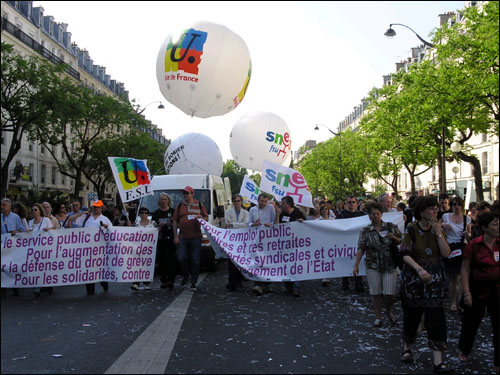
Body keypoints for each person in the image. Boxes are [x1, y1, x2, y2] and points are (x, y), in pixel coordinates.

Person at [398, 196, 453, 374]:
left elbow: (446, 253)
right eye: (431, 208)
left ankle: (438, 361)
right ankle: (408, 346)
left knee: (436, 318)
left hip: (434, 282)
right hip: (414, 281)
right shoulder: (412, 229)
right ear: (422, 212)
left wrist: (438, 232)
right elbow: (405, 253)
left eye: (436, 208)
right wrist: (419, 269)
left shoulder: (438, 229)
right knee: (412, 316)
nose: (435, 211)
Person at [458, 212, 499, 372]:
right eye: (495, 224)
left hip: (497, 290)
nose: (498, 227)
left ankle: (498, 361)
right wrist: (467, 293)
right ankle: (465, 349)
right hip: (478, 289)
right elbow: (465, 270)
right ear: (484, 228)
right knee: (471, 323)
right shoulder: (474, 245)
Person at [353, 202, 401, 327]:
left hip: (389, 264)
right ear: (369, 216)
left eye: (377, 214)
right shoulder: (365, 231)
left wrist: (393, 237)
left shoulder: (390, 227)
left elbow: (401, 240)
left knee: (389, 293)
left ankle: (389, 311)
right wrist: (356, 265)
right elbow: (360, 248)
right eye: (372, 214)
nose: (375, 216)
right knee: (375, 292)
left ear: (381, 214)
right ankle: (378, 316)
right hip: (372, 264)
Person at [73, 200, 113, 295]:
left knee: (100, 268)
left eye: (98, 207)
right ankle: (90, 289)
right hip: (87, 249)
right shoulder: (86, 218)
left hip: (100, 249)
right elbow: (71, 220)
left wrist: (106, 227)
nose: (96, 209)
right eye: (94, 207)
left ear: (101, 208)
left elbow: (112, 231)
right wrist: (82, 213)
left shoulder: (105, 219)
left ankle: (104, 282)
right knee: (89, 268)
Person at [172, 186, 208, 292]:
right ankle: (186, 275)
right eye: (184, 194)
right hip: (182, 237)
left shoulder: (199, 205)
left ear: (192, 194)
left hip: (196, 237)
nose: (185, 195)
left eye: (187, 193)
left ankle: (193, 282)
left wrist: (202, 217)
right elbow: (175, 221)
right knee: (181, 258)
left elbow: (206, 217)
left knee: (195, 260)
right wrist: (175, 236)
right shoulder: (180, 206)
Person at [440, 196, 471, 311]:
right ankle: (453, 302)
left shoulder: (467, 219)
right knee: (452, 277)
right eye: (454, 205)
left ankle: (460, 300)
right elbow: (439, 231)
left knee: (461, 276)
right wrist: (445, 229)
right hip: (449, 248)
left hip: (462, 247)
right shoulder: (445, 216)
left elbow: (470, 234)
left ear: (462, 207)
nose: (456, 207)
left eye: (459, 205)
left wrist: (467, 234)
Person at [248, 193, 276, 296]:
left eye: (265, 201)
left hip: (268, 239)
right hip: (256, 239)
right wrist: (253, 224)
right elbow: (248, 223)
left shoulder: (270, 208)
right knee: (258, 261)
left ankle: (267, 283)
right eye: (261, 201)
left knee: (267, 261)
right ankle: (258, 284)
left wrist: (271, 224)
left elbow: (274, 221)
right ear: (258, 200)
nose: (263, 203)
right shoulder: (252, 210)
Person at [337, 195, 365, 292]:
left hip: (358, 243)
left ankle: (358, 283)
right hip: (345, 243)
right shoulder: (341, 215)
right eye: (349, 202)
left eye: (353, 202)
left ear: (356, 203)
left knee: (358, 262)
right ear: (346, 203)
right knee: (345, 263)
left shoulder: (361, 215)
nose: (351, 204)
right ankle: (345, 283)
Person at [279, 196, 305, 297]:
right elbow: (277, 226)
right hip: (285, 245)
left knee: (296, 266)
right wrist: (277, 215)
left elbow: (306, 225)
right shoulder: (282, 214)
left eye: (283, 203)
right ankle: (288, 287)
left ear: (289, 204)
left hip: (296, 244)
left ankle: (296, 288)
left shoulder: (298, 212)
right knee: (286, 266)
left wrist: (302, 222)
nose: (282, 204)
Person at [27, 203, 54, 297]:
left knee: (45, 268)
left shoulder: (46, 220)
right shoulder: (30, 222)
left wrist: (48, 229)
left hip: (45, 250)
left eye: (36, 210)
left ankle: (48, 285)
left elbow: (52, 230)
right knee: (35, 269)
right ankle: (36, 289)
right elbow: (28, 233)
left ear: (40, 211)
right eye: (32, 210)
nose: (34, 212)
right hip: (34, 250)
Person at [151, 193, 177, 289]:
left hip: (170, 238)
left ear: (168, 200)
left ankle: (171, 279)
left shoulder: (173, 211)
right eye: (161, 199)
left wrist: (167, 224)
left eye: (164, 199)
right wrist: (158, 226)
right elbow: (153, 225)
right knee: (162, 260)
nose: (163, 201)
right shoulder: (156, 213)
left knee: (171, 259)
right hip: (161, 239)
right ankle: (163, 279)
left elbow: (176, 224)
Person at [224, 194, 250, 291]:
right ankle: (232, 282)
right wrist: (237, 225)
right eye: (234, 201)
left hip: (242, 240)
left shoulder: (246, 213)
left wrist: (233, 224)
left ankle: (239, 279)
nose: (236, 203)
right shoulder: (227, 212)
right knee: (231, 261)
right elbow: (227, 224)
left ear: (241, 202)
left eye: (238, 201)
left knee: (240, 260)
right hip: (231, 239)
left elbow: (246, 225)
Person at [131, 207, 156, 291]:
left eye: (146, 212)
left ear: (148, 214)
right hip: (138, 247)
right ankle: (135, 283)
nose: (144, 214)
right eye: (142, 212)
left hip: (149, 248)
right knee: (136, 265)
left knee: (147, 265)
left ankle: (146, 282)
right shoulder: (136, 223)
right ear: (139, 214)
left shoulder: (153, 223)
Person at [316, 203, 336, 286]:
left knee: (330, 258)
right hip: (322, 242)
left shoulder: (333, 220)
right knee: (323, 259)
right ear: (321, 211)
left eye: (326, 209)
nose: (325, 211)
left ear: (328, 211)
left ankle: (328, 275)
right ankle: (324, 277)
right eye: (323, 209)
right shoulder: (317, 221)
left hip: (331, 241)